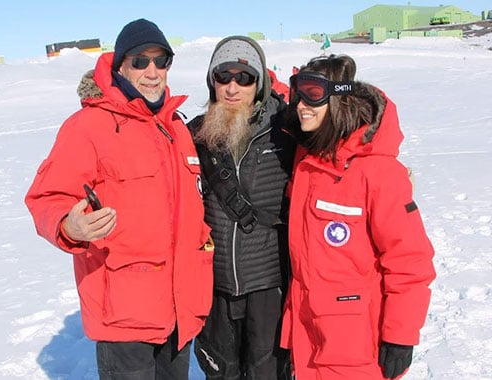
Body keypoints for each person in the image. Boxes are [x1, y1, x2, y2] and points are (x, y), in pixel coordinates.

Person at [25, 18, 214, 380]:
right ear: (121, 66)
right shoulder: (88, 126)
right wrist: (70, 225)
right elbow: (46, 197)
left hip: (180, 308)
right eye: (140, 61)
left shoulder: (176, 128)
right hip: (124, 316)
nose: (153, 71)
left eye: (162, 60)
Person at [279, 54, 436, 379]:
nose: (301, 105)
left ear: (339, 99)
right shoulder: (308, 161)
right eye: (298, 93)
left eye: (314, 94)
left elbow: (410, 263)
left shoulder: (377, 172)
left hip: (357, 348)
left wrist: (400, 336)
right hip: (308, 339)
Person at [188, 35, 295, 379]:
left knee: (267, 372)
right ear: (212, 81)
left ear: (259, 84)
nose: (233, 87)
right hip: (214, 285)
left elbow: (336, 152)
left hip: (269, 284)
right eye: (224, 76)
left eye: (244, 78)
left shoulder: (287, 133)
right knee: (221, 372)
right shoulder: (194, 136)